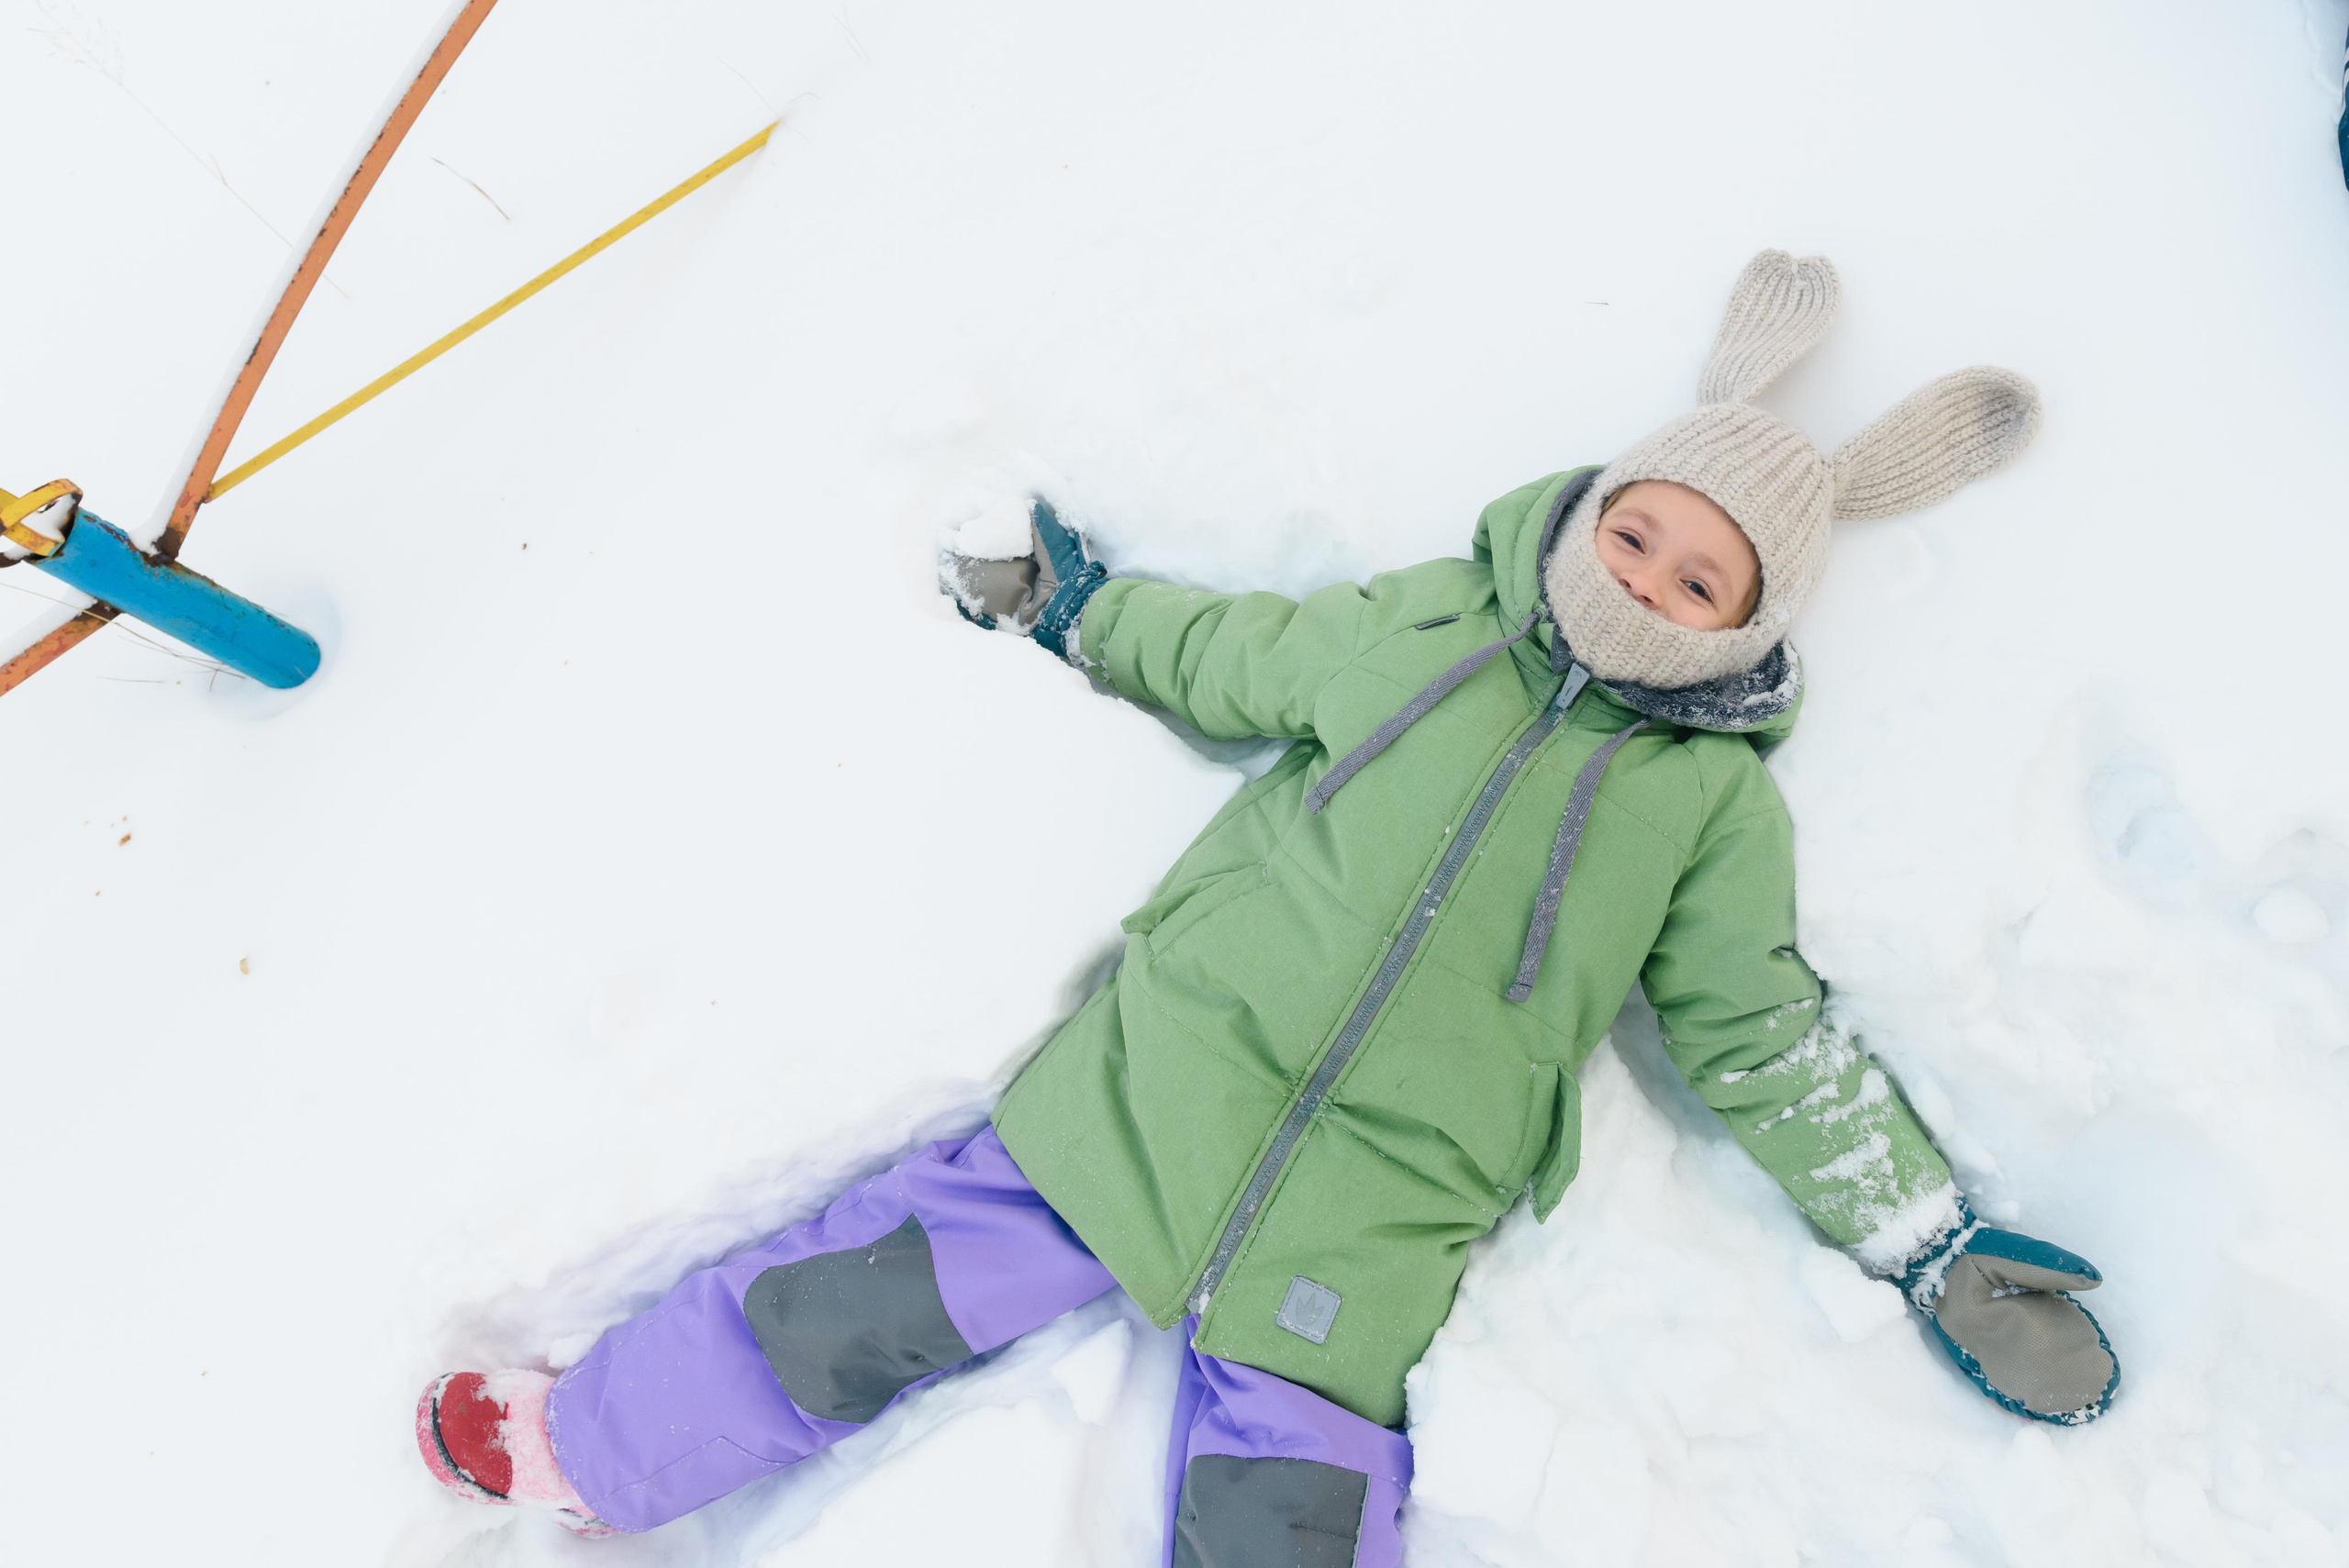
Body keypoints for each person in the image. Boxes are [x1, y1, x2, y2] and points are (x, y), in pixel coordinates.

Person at [415, 251, 2120, 1558]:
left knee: (1288, 1526)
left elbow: (1760, 1031)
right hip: (1149, 1093)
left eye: (1703, 581)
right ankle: (597, 1442)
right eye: (1643, 535)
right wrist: (1077, 609)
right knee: (854, 1293)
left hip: (1374, 1221)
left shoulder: (1712, 809)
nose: (1650, 586)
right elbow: (1229, 655)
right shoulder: (1424, 628)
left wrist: (1924, 1236)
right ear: (1597, 508)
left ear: (1751, 626)